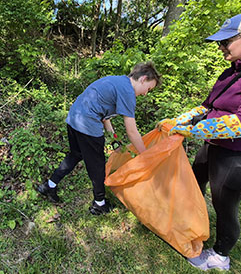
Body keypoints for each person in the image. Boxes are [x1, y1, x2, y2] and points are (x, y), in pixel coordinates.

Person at [158, 12, 241, 271]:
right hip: (213, 146)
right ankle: (189, 225)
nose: (221, 47)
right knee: (192, 184)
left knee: (224, 204)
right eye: (219, 42)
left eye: (226, 41)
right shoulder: (229, 73)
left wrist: (194, 131)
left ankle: (220, 254)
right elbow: (206, 106)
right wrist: (179, 121)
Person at [37, 62, 162, 215]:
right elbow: (132, 131)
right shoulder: (128, 91)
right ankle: (99, 204)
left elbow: (104, 114)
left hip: (74, 118)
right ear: (143, 79)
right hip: (87, 123)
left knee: (75, 155)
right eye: (148, 89)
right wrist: (146, 156)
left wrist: (113, 138)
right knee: (97, 166)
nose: (145, 94)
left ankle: (49, 186)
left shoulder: (117, 81)